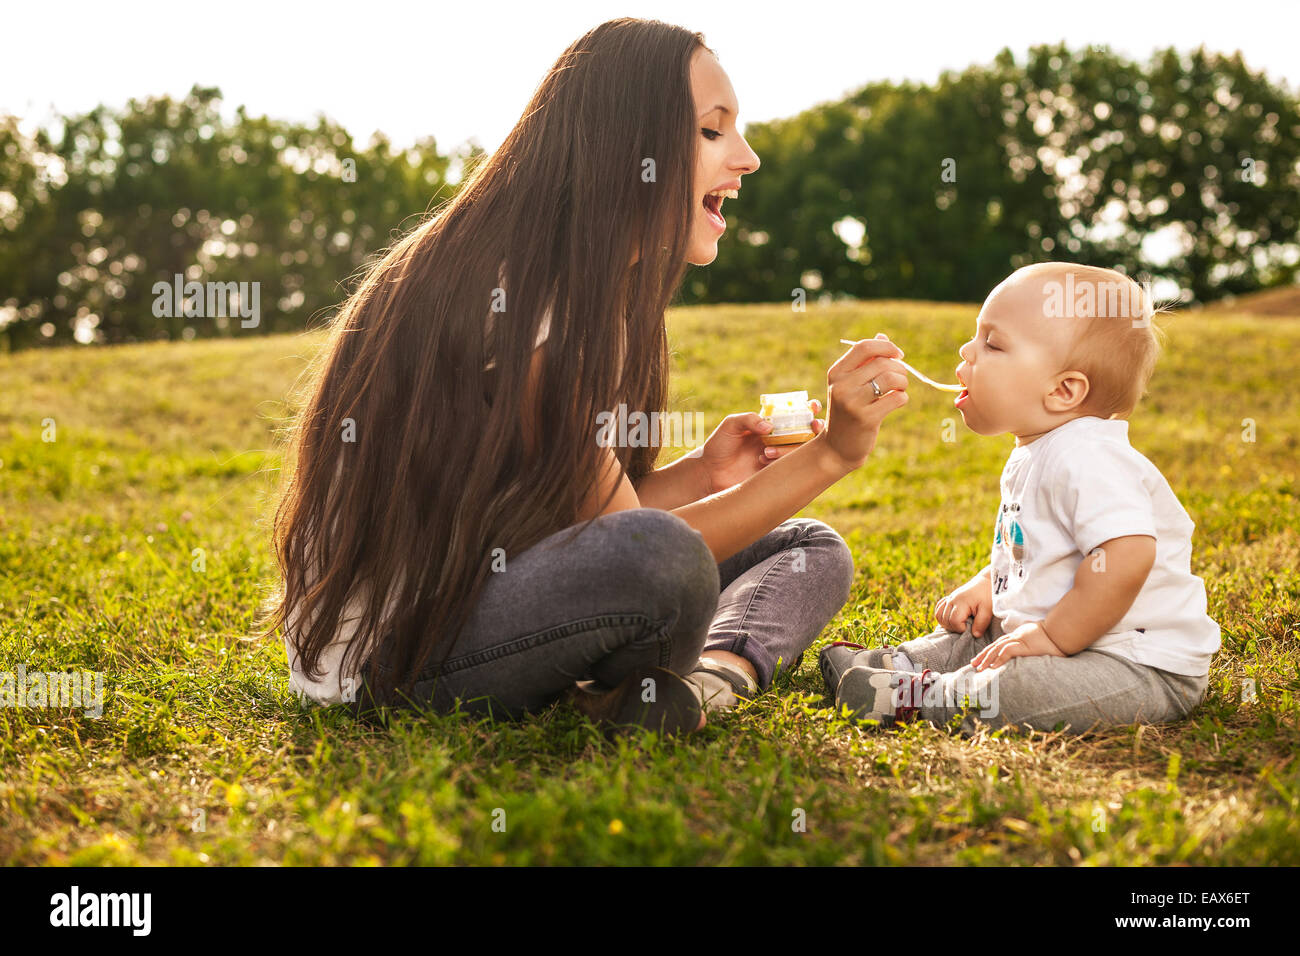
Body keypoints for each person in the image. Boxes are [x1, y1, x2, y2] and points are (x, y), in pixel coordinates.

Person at [261, 18, 909, 735]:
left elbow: (585, 525)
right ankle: (652, 687)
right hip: (396, 662)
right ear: (630, 148)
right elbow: (637, 550)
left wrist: (701, 472)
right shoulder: (516, 295)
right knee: (664, 560)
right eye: (712, 132)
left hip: (494, 596)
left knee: (805, 547)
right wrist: (834, 454)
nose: (748, 159)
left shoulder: (586, 290)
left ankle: (712, 680)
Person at [820, 263, 1220, 734]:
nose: (967, 351)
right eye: (977, 336)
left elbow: (1127, 555)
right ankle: (906, 663)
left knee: (1018, 687)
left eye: (993, 343)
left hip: (1133, 664)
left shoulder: (1089, 455)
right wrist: (990, 583)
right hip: (1058, 636)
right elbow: (1039, 549)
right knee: (980, 636)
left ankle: (926, 697)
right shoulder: (1040, 447)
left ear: (1064, 390)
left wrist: (1053, 635)